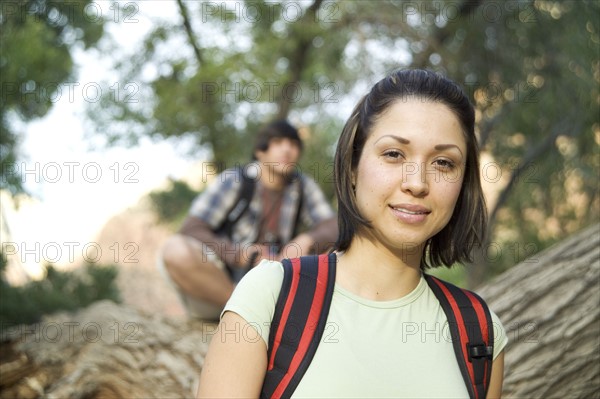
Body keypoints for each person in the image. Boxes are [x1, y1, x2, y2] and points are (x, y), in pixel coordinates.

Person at [196, 69, 508, 398]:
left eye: (444, 162)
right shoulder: (270, 295)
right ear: (352, 167)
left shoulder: (479, 331)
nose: (417, 182)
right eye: (394, 154)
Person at [158, 119, 338, 321]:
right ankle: (243, 310)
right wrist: (239, 255)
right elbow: (192, 228)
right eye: (278, 142)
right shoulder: (235, 180)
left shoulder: (302, 186)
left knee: (336, 250)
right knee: (175, 250)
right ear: (260, 151)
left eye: (294, 144)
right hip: (220, 288)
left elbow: (335, 225)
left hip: (273, 287)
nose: (287, 149)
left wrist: (306, 240)